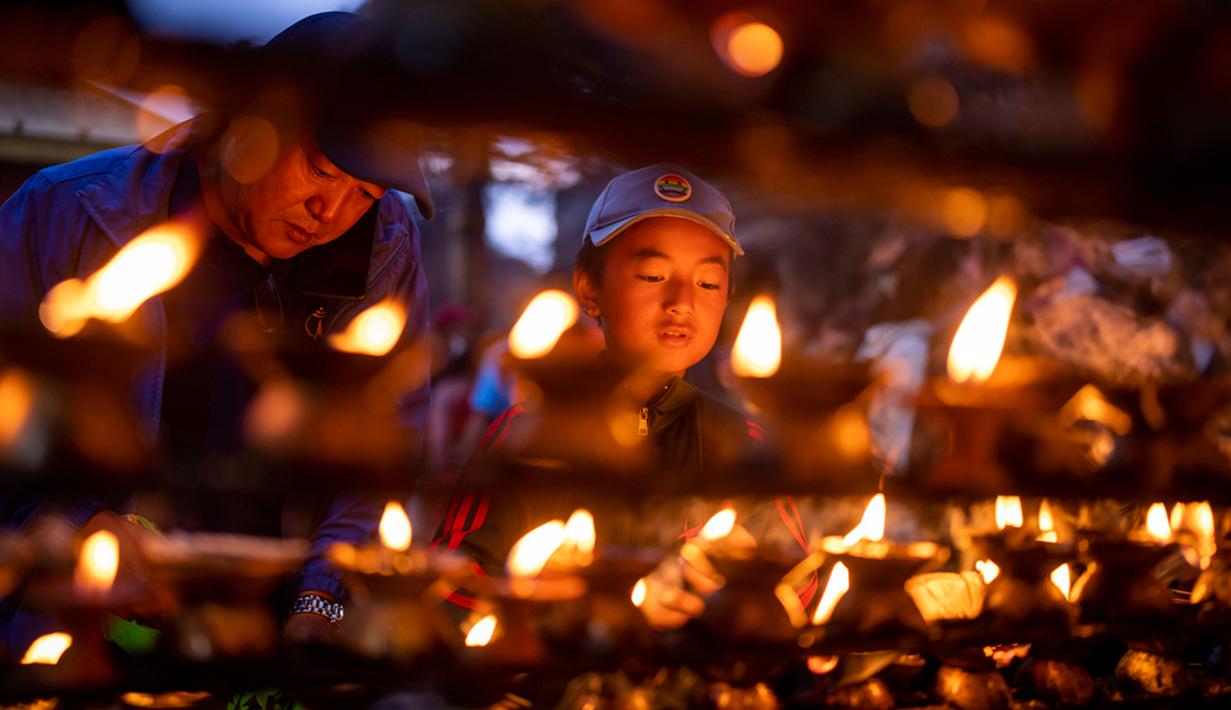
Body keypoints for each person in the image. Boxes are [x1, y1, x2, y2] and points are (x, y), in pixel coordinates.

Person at [0, 12, 433, 647]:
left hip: (271, 640)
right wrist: (70, 528)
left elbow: (385, 453)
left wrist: (322, 601)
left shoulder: (385, 250)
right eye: (321, 170)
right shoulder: (65, 212)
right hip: (72, 628)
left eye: (364, 193)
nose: (330, 212)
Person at [434, 165, 813, 629]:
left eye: (708, 283)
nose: (681, 301)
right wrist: (574, 605)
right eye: (653, 275)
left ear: (728, 296)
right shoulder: (526, 434)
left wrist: (741, 589)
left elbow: (805, 596)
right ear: (589, 289)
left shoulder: (746, 444)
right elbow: (452, 586)